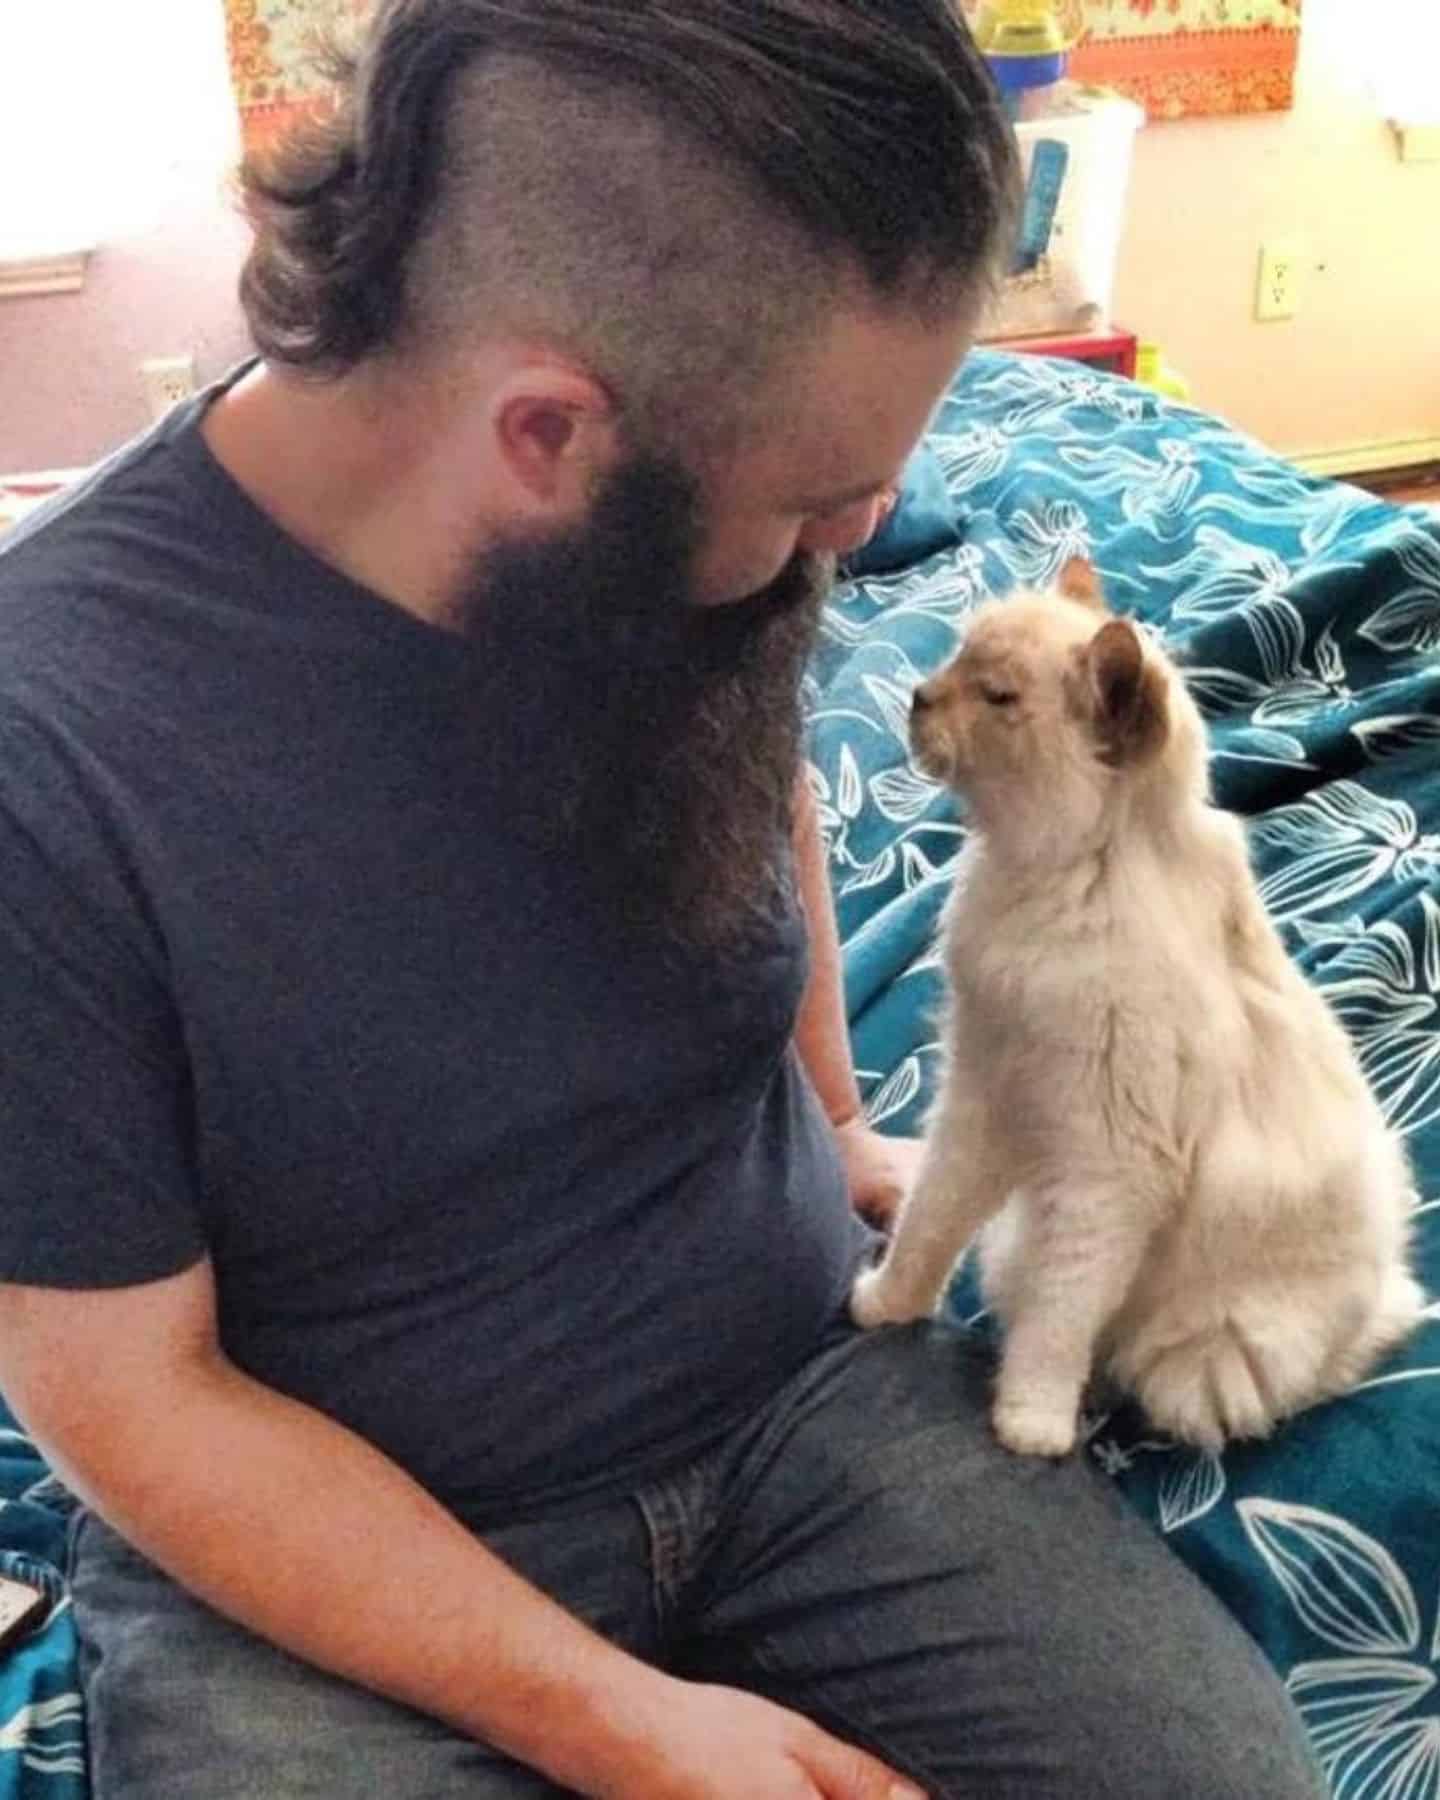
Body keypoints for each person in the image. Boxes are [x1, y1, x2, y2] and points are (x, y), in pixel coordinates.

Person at [0, 3, 1327, 1796]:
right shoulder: (48, 753)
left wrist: (842, 1121)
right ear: (549, 436)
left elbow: (752, 773)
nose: (860, 540)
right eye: (819, 501)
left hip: (793, 1386)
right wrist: (611, 1719)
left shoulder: (645, 565)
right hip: (335, 1525)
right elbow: (123, 1397)